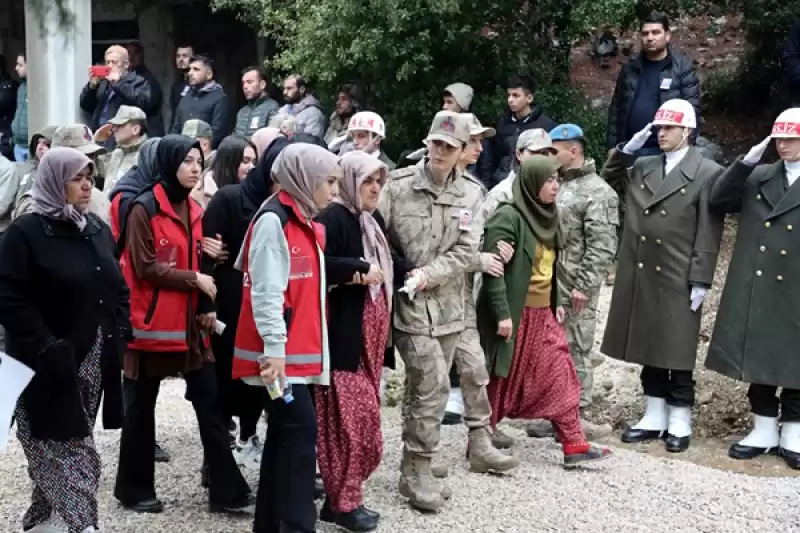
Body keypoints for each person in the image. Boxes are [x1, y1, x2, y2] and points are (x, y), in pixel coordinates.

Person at [378, 111, 520, 513]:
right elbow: (376, 234)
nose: (439, 152)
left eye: (449, 146)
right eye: (435, 144)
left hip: (451, 308)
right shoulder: (399, 184)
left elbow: (465, 251)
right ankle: (420, 470)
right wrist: (406, 272)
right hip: (408, 305)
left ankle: (414, 462)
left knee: (426, 389)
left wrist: (429, 273)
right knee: (432, 384)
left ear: (463, 152)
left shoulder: (472, 193)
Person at [113, 134, 253, 514]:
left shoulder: (193, 208)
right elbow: (144, 267)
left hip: (189, 326)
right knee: (141, 410)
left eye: (199, 162)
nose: (195, 168)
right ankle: (134, 488)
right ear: (169, 162)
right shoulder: (143, 207)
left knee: (210, 403)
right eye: (188, 161)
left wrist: (208, 269)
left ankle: (226, 489)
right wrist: (194, 278)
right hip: (150, 329)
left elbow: (200, 260)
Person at [0, 147, 129, 533]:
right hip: (40, 363)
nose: (87, 185)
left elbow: (117, 287)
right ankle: (81, 524)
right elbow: (8, 295)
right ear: (56, 181)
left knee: (61, 441)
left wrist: (120, 331)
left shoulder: (95, 228)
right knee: (69, 447)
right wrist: (45, 344)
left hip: (92, 358)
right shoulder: (26, 233)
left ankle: (44, 520)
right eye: (77, 177)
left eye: (90, 176)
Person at [600, 99, 724, 453]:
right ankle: (654, 413)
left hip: (677, 268)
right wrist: (625, 151)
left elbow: (708, 228)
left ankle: (680, 418)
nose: (661, 133)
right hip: (642, 266)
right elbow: (609, 179)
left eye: (668, 128)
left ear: (687, 131)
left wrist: (702, 276)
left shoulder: (706, 171)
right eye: (658, 128)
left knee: (678, 347)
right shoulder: (643, 166)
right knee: (648, 342)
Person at [477, 155, 612, 467]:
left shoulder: (549, 217)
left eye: (557, 180)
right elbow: (493, 271)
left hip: (542, 315)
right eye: (549, 180)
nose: (555, 186)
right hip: (513, 314)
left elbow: (550, 270)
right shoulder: (507, 218)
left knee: (562, 373)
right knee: (502, 380)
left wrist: (556, 305)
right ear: (531, 182)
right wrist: (502, 314)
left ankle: (574, 444)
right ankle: (481, 441)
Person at [232, 143, 339, 533]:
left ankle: (272, 525)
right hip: (279, 362)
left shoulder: (300, 219)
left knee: (283, 436)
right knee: (298, 437)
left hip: (292, 358)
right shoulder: (274, 221)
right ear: (304, 180)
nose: (333, 191)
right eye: (328, 182)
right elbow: (266, 292)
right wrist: (275, 351)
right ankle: (295, 525)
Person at [314, 151, 412, 531]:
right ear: (351, 180)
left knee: (358, 423)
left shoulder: (371, 220)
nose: (374, 189)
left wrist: (414, 271)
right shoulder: (333, 218)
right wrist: (355, 269)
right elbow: (318, 263)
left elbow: (389, 262)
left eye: (379, 182)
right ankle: (344, 503)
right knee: (354, 426)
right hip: (343, 342)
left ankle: (341, 500)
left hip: (370, 343)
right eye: (368, 181)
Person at [704, 109, 800, 468]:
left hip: (795, 282)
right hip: (759, 280)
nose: (784, 145)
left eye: (791, 138)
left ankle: (793, 431)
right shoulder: (760, 175)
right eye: (779, 138)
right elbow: (718, 199)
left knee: (795, 359)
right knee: (757, 354)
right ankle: (763, 427)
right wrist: (745, 163)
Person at [200, 131, 289, 476]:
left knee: (262, 378)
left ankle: (251, 438)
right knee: (225, 379)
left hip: (267, 306)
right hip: (231, 305)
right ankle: (217, 462)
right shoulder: (228, 198)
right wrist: (206, 307)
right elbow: (209, 255)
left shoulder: (287, 207)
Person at [547, 123, 618, 438]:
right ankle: (554, 413)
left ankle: (578, 414)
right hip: (550, 285)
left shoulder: (598, 191)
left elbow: (602, 246)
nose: (549, 156)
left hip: (576, 287)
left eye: (554, 150)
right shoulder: (557, 185)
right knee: (553, 349)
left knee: (577, 348)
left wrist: (584, 286)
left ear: (572, 151)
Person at [607, 12, 700, 157]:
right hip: (630, 149)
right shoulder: (630, 67)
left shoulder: (681, 68)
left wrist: (686, 147)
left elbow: (692, 110)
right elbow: (616, 108)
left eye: (655, 32)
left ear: (667, 36)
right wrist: (613, 146)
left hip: (664, 152)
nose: (649, 38)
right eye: (645, 33)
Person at [482, 75, 556, 190]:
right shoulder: (503, 123)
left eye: (515, 95)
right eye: (509, 95)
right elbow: (494, 156)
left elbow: (552, 159)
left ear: (529, 98)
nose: (510, 100)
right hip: (501, 183)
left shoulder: (545, 125)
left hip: (531, 185)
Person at [79, 45, 151, 134]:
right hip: (101, 133)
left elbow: (143, 103)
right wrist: (92, 86)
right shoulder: (103, 82)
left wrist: (117, 84)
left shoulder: (138, 81)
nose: (110, 66)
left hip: (124, 134)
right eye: (107, 62)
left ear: (126, 64)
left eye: (114, 62)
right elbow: (85, 105)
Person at [170, 55, 233, 149]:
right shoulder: (186, 98)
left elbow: (218, 133)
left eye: (196, 69)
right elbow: (176, 128)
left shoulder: (220, 98)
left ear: (209, 74)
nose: (190, 73)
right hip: (183, 152)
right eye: (190, 69)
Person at [191, 134, 256, 207]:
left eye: (254, 162)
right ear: (228, 162)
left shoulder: (252, 193)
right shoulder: (199, 194)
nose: (252, 167)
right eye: (245, 161)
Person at [99, 105, 149, 193]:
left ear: (135, 129)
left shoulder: (147, 156)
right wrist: (96, 141)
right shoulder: (116, 153)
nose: (113, 129)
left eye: (119, 125)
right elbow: (90, 167)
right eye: (114, 125)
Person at [329, 111, 395, 169]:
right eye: (353, 136)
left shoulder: (388, 168)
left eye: (361, 136)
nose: (355, 142)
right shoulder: (349, 162)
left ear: (377, 139)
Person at [125, 42, 165, 137]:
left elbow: (146, 103)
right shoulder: (120, 78)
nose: (131, 56)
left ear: (142, 55)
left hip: (146, 133)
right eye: (128, 53)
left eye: (136, 53)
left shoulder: (148, 79)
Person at [235, 66, 280, 138]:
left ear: (262, 85)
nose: (245, 86)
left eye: (249, 82)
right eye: (243, 83)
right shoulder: (242, 112)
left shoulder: (272, 108)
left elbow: (272, 138)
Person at [279, 74, 326, 138]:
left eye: (289, 88)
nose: (284, 92)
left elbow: (311, 142)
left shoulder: (314, 114)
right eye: (284, 89)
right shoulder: (284, 109)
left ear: (302, 89)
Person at [11, 52, 27, 162]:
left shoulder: (38, 88)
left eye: (20, 65)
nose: (16, 68)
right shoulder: (21, 88)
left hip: (31, 146)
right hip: (18, 145)